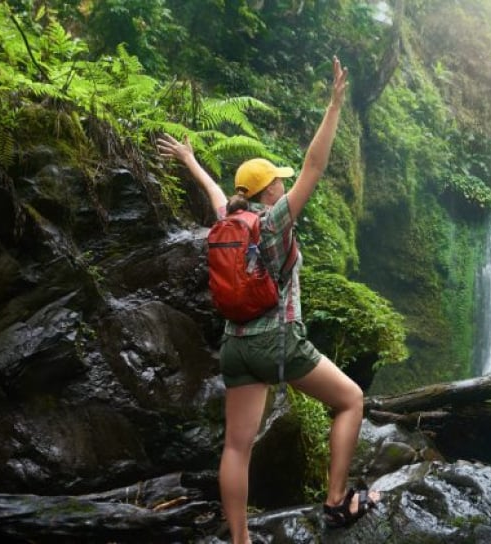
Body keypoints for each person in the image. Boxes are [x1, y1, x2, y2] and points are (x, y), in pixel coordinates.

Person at [157, 56, 378, 542]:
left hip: (235, 345)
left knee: (237, 448)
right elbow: (316, 165)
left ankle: (240, 540)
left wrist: (190, 159)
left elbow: (216, 191)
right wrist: (334, 104)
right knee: (351, 400)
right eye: (279, 179)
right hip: (277, 341)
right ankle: (337, 502)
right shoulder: (274, 222)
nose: (285, 181)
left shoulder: (226, 221)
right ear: (269, 189)